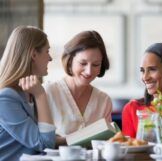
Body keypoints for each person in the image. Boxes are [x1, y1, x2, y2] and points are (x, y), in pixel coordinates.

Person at [44, 31, 112, 145]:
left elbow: (106, 143)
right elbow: (38, 141)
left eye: (96, 65)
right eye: (83, 63)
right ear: (70, 61)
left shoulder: (104, 100)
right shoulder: (48, 92)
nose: (89, 71)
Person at [0, 26, 55, 160]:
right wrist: (41, 95)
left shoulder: (29, 91)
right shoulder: (5, 98)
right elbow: (44, 143)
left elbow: (43, 137)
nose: (50, 58)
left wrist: (71, 139)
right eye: (47, 51)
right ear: (34, 54)